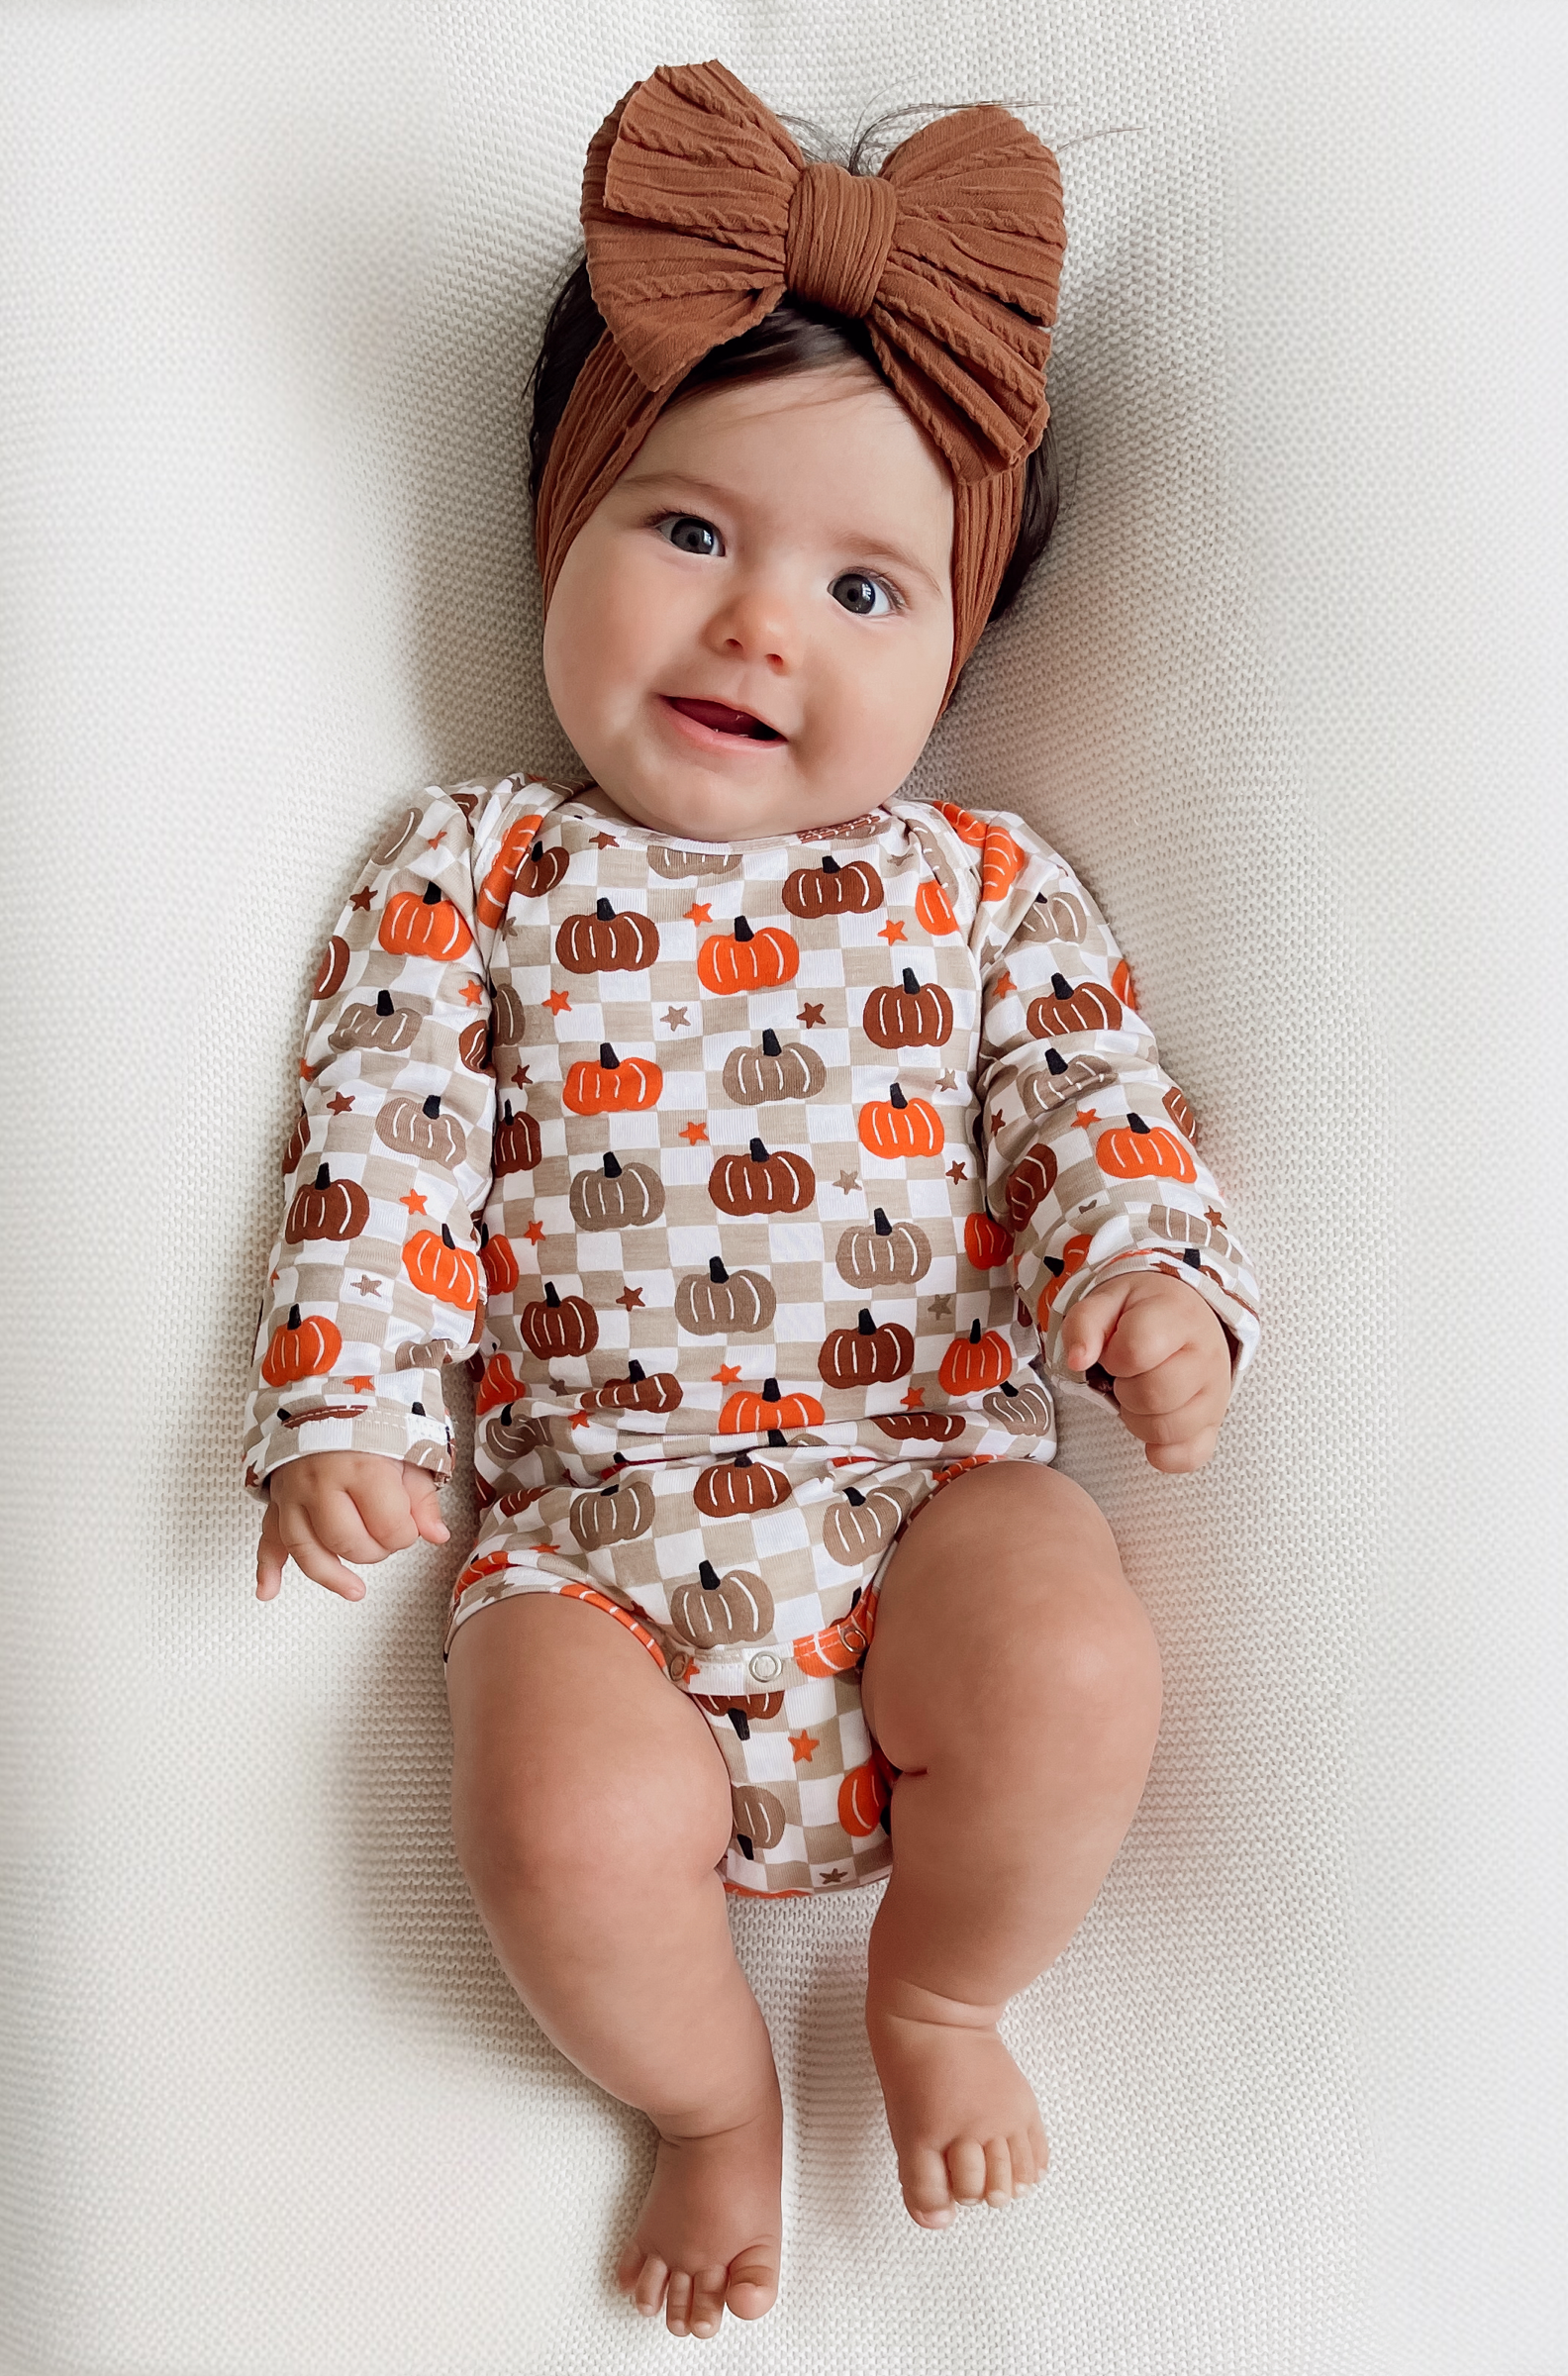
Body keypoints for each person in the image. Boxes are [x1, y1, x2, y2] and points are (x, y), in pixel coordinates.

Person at [244, 59, 1260, 2343]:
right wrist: (349, 1409)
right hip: (590, 1538)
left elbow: (1097, 1101)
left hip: (930, 1493)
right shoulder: (480, 875)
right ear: (563, 536)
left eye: (863, 582)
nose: (758, 626)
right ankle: (711, 2102)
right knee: (556, 1835)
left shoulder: (984, 889)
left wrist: (1146, 1279)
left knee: (1077, 1654)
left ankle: (942, 1992)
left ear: (954, 654)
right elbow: (383, 1143)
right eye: (689, 532)